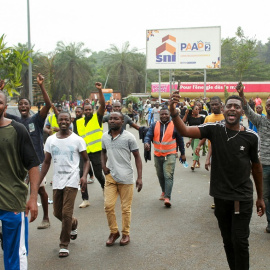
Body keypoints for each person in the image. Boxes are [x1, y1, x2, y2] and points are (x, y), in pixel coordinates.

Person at [170, 90, 265, 270]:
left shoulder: (251, 137)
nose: (232, 109)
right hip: (220, 197)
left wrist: (260, 197)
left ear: (242, 112)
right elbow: (183, 130)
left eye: (237, 107)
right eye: (229, 106)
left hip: (241, 198)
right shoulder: (214, 129)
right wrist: (175, 112)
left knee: (240, 242)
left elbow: (256, 167)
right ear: (224, 109)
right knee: (228, 241)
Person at [39, 111, 90, 257]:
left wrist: (84, 176)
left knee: (66, 213)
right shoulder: (50, 140)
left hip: (72, 179)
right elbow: (47, 162)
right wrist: (37, 181)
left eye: (66, 120)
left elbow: (86, 160)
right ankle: (73, 224)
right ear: (57, 121)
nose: (63, 122)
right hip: (57, 180)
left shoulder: (77, 140)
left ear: (70, 121)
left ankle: (64, 244)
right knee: (57, 212)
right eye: (61, 119)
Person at [5, 73, 52, 229]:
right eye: (20, 104)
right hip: (20, 164)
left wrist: (41, 85)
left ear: (30, 106)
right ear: (18, 107)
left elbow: (48, 104)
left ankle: (46, 217)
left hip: (37, 161)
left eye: (26, 104)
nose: (23, 106)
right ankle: (20, 219)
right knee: (20, 190)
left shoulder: (36, 120)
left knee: (39, 189)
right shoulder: (15, 121)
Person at [0, 87, 40, 269]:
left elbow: (33, 164)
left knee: (14, 253)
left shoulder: (18, 130)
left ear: (6, 107)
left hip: (12, 203)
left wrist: (32, 198)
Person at [101, 112, 143, 246]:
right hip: (110, 177)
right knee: (108, 206)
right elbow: (103, 152)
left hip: (126, 178)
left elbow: (137, 157)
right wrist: (103, 166)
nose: (112, 120)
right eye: (110, 118)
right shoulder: (105, 137)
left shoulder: (129, 138)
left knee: (125, 208)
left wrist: (140, 178)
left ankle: (125, 233)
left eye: (116, 118)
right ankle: (114, 232)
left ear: (122, 121)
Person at [237, 84, 270, 233]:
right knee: (266, 196)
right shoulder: (261, 121)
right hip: (265, 164)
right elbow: (247, 110)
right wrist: (242, 94)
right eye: (268, 104)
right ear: (264, 107)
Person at [144, 108, 186, 207]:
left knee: (168, 175)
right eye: (162, 114)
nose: (164, 116)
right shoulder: (154, 125)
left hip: (170, 154)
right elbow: (148, 135)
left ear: (169, 115)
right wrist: (146, 142)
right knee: (160, 175)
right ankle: (163, 191)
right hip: (157, 155)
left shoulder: (175, 125)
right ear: (159, 115)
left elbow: (180, 140)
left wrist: (183, 154)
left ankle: (167, 197)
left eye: (166, 114)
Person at [76, 82, 106, 208]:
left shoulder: (97, 118)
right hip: (83, 153)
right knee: (82, 174)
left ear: (92, 110)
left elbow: (103, 105)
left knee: (99, 174)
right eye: (85, 110)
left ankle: (106, 189)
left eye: (89, 109)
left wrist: (100, 91)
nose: (87, 111)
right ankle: (85, 199)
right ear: (83, 111)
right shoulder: (78, 122)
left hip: (96, 152)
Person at [195, 96, 224, 209]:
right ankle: (217, 200)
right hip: (214, 152)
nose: (214, 106)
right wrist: (199, 145)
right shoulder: (208, 118)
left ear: (221, 105)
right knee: (215, 177)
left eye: (216, 104)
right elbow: (204, 134)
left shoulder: (226, 117)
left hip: (227, 152)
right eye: (212, 104)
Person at [73, 106, 95, 184]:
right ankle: (84, 178)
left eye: (79, 112)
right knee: (83, 161)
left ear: (82, 112)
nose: (77, 113)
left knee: (85, 161)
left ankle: (90, 176)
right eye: (76, 112)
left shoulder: (84, 121)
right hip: (76, 143)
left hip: (86, 145)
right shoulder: (74, 120)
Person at [182, 105, 204, 170]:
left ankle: (193, 164)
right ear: (193, 111)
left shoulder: (201, 118)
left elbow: (203, 127)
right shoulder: (189, 117)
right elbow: (183, 121)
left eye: (198, 109)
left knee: (195, 149)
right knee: (194, 149)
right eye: (196, 109)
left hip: (198, 135)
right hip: (191, 135)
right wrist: (186, 113)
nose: (198, 110)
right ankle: (198, 162)